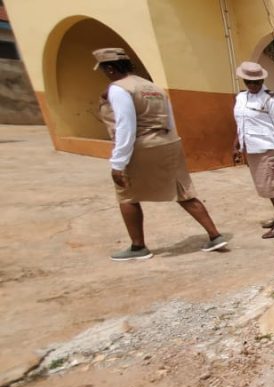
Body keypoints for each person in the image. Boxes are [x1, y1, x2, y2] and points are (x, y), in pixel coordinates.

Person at [94, 48, 227, 261]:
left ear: (109, 68)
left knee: (126, 194)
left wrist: (118, 163)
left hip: (143, 144)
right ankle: (215, 235)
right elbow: (170, 120)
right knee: (182, 190)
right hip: (168, 141)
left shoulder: (119, 89)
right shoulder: (153, 87)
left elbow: (126, 126)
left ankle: (138, 246)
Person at [232, 61, 274, 239]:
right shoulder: (241, 98)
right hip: (251, 149)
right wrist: (237, 141)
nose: (252, 85)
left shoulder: (272, 99)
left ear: (262, 80)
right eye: (249, 82)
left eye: (256, 82)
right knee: (266, 186)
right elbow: (242, 122)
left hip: (268, 148)